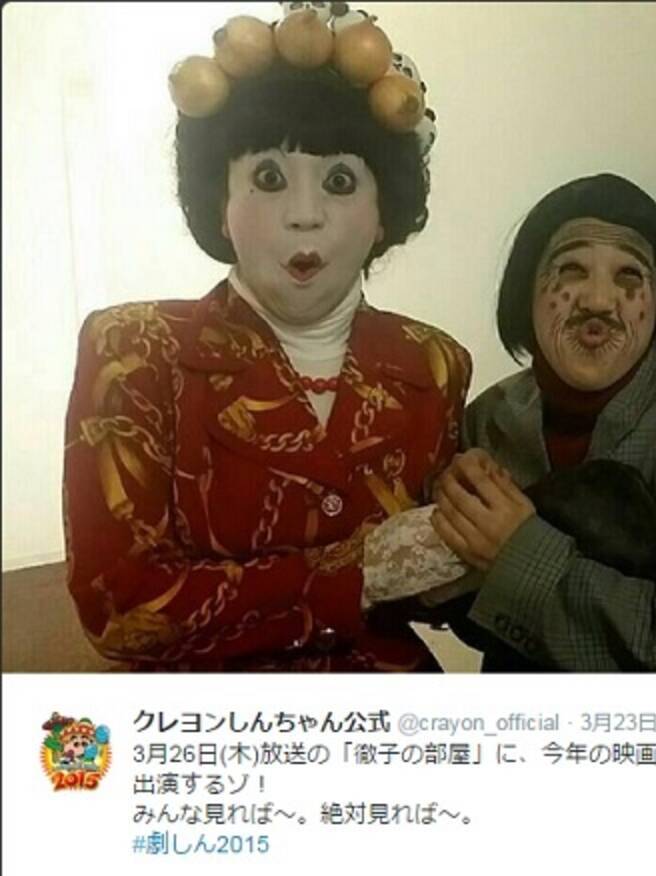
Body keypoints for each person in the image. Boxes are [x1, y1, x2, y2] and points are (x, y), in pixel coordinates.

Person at [61, 4, 470, 671]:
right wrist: (359, 573)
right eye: (269, 178)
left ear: (381, 215)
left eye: (340, 181)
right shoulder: (132, 350)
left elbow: (438, 590)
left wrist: (484, 546)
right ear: (221, 207)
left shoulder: (436, 362)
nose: (304, 215)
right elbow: (121, 610)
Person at [430, 173, 656, 671]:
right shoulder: (489, 419)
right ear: (527, 291)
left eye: (629, 276)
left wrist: (517, 554)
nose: (599, 300)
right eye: (572, 270)